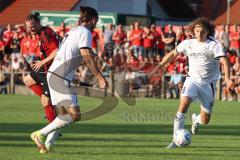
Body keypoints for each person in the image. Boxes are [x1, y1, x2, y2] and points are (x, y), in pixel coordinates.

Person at [30, 6, 107, 153]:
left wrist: (86, 60)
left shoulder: (73, 31)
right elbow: (85, 54)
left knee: (63, 115)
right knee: (74, 115)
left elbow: (73, 55)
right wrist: (100, 77)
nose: (95, 25)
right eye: (96, 22)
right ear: (93, 20)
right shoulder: (86, 32)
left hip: (54, 74)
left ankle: (47, 145)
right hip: (60, 77)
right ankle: (39, 134)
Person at [149, 17, 234, 148]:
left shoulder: (214, 44)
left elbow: (224, 61)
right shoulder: (188, 43)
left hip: (208, 84)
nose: (200, 33)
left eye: (203, 31)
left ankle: (196, 120)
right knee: (183, 104)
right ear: (193, 31)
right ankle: (175, 140)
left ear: (208, 32)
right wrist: (160, 65)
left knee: (205, 120)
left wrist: (227, 78)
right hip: (192, 80)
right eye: (197, 30)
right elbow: (172, 54)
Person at [23, 12, 62, 150]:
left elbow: (56, 51)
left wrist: (42, 62)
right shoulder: (43, 33)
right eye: (28, 27)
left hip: (52, 72)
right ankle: (51, 110)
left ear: (38, 24)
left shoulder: (45, 34)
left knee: (44, 101)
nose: (31, 29)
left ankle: (55, 128)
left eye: (33, 26)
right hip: (46, 69)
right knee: (27, 79)